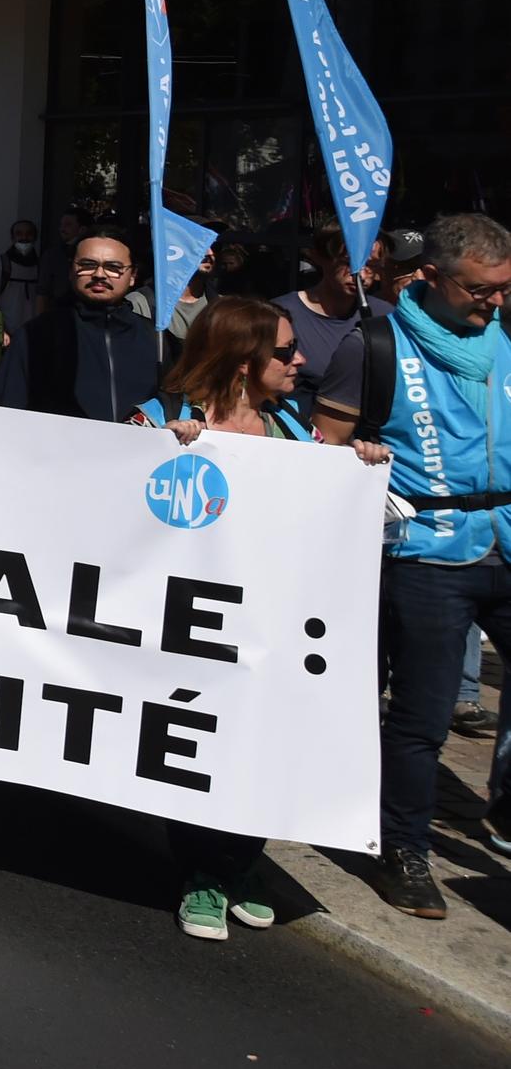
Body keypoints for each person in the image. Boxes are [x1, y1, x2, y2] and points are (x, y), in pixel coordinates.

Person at [130, 296, 389, 937]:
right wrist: (153, 451)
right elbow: (105, 500)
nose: (299, 361)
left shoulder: (292, 429)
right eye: (284, 350)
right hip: (187, 627)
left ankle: (240, 864)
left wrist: (357, 466)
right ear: (243, 359)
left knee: (264, 748)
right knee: (195, 747)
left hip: (270, 627)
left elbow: (323, 508)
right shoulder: (161, 416)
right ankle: (202, 873)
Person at [316, 212, 511, 916]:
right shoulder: (372, 344)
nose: (493, 301)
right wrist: (359, 460)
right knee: (422, 718)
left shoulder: (505, 337)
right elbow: (324, 451)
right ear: (429, 276)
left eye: (503, 288)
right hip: (426, 549)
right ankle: (402, 847)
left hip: (506, 536)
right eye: (478, 290)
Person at [0, 227, 162, 420]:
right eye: (87, 265)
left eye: (113, 267)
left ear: (133, 275)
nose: (99, 274)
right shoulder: (36, 335)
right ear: (71, 270)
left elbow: (174, 403)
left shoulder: (156, 338)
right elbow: (8, 410)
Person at [277, 216, 365, 413]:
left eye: (370, 264)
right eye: (347, 262)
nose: (360, 273)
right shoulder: (281, 316)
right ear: (319, 257)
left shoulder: (385, 315)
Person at [0, 219, 42, 344]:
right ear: (12, 238)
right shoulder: (0, 264)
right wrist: (0, 330)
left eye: (29, 233)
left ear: (35, 237)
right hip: (7, 335)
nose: (24, 237)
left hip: (33, 333)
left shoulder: (41, 265)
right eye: (19, 233)